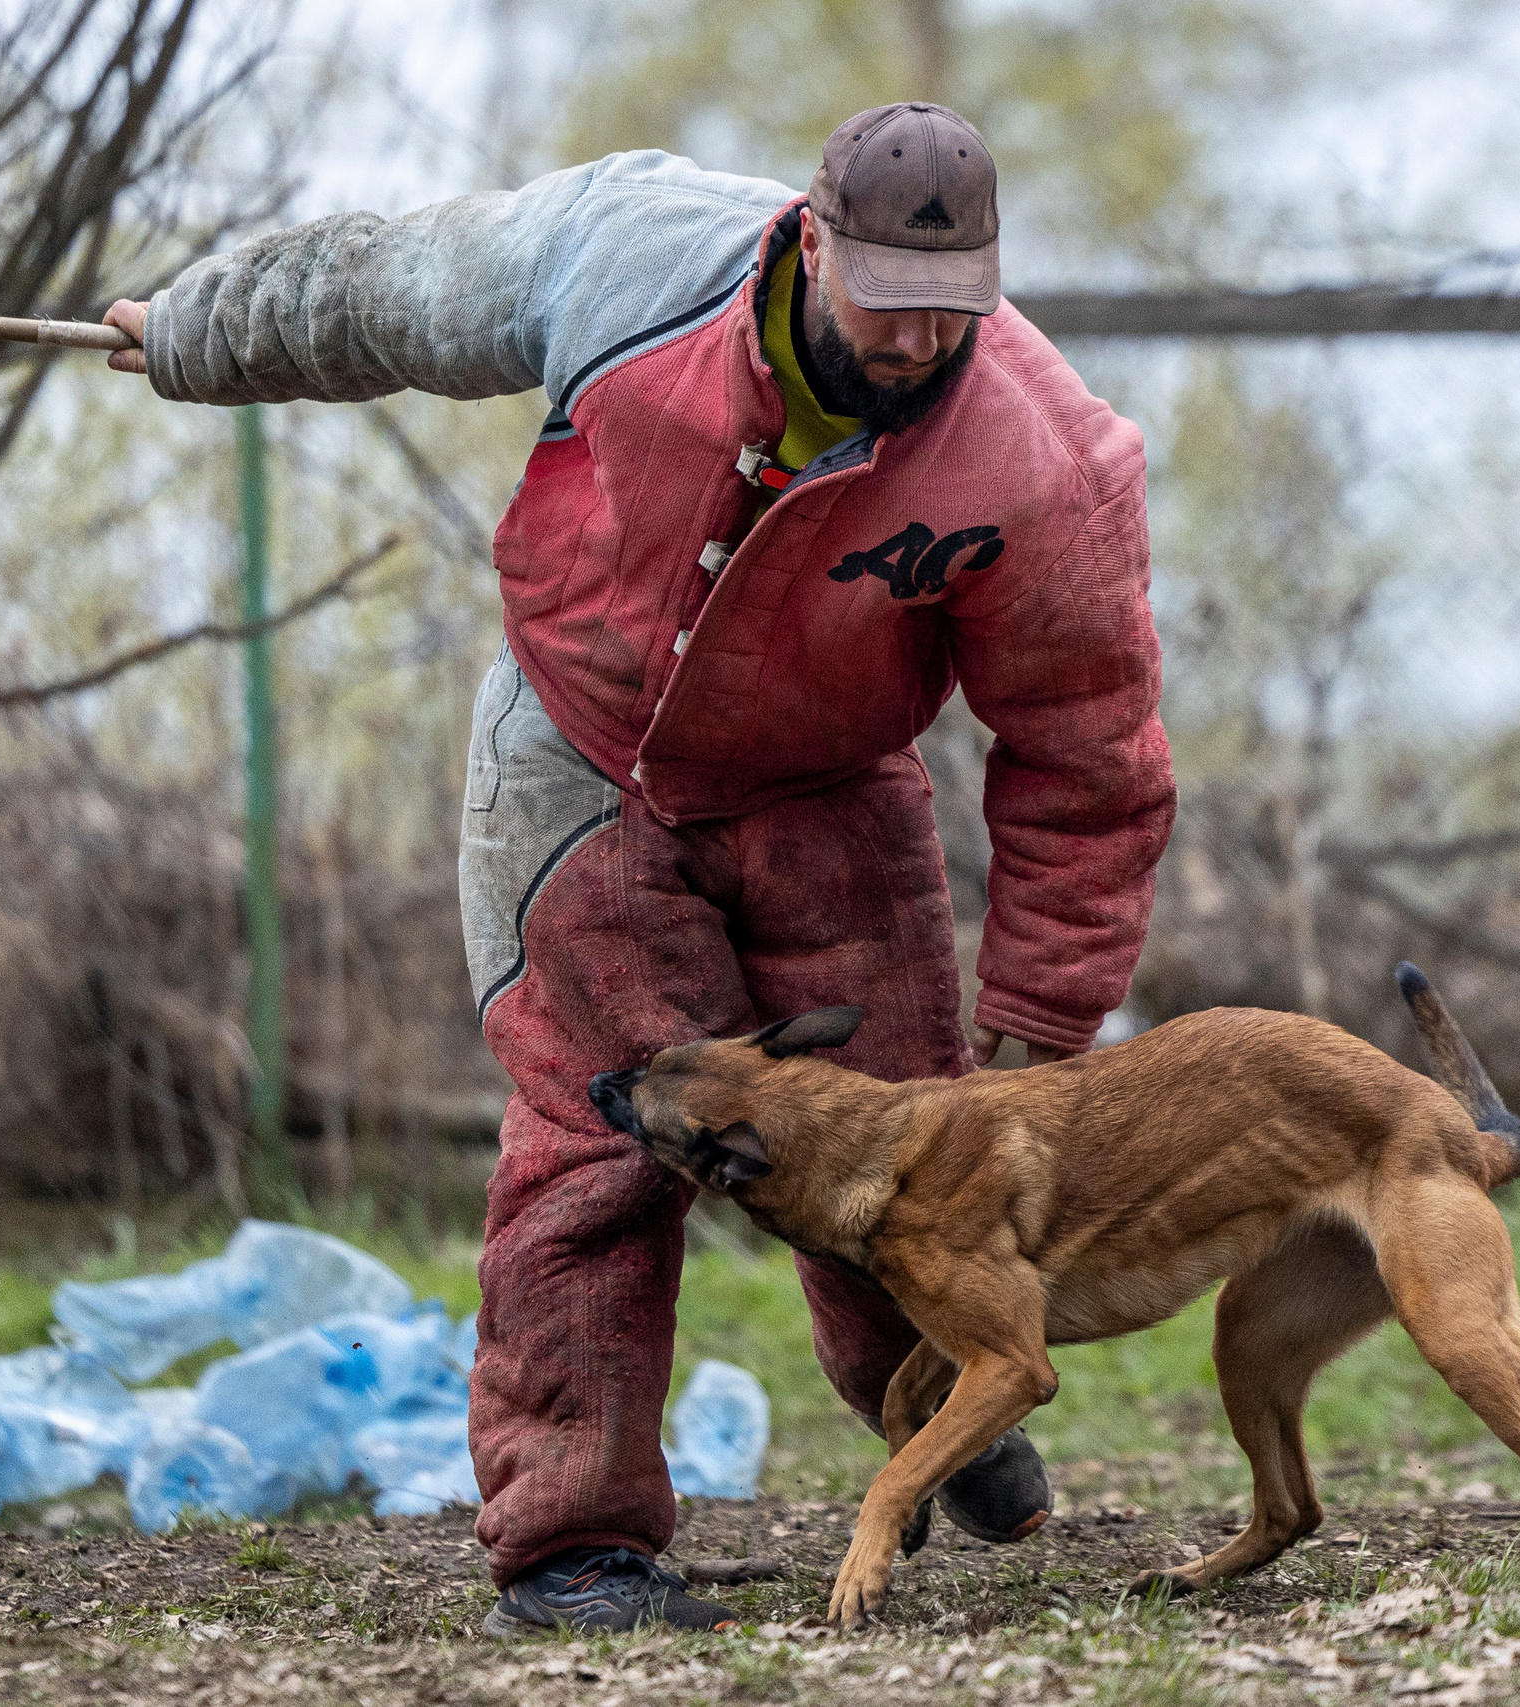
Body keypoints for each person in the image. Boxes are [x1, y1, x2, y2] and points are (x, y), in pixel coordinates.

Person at [104, 102, 1174, 1636]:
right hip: (578, 751)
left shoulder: (1045, 459)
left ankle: (935, 1410)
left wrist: (1049, 1009)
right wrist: (196, 331)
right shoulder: (629, 259)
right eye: (890, 302)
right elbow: (390, 290)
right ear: (811, 242)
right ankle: (572, 1545)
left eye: (958, 310)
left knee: (912, 1136)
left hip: (828, 781)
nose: (922, 340)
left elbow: (1087, 750)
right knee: (608, 1141)